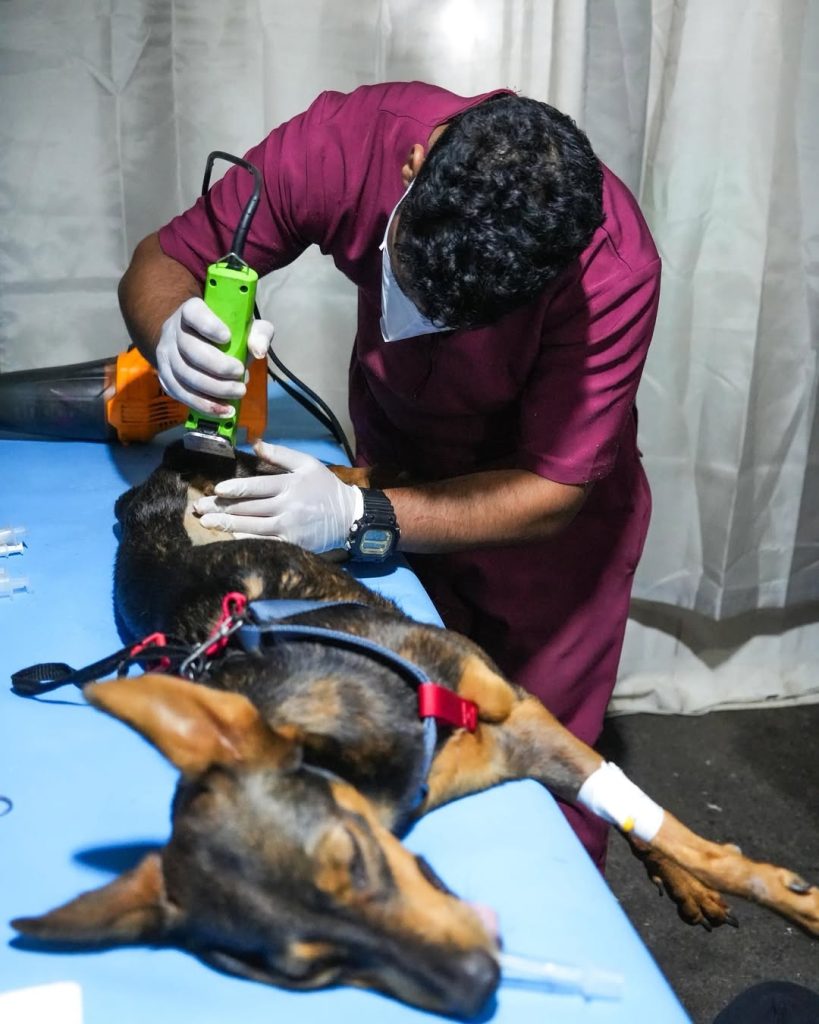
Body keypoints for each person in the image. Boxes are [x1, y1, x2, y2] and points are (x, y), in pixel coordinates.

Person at [118, 82, 661, 869]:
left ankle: (536, 915)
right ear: (410, 167)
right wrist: (170, 329)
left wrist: (358, 514)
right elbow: (165, 260)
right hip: (397, 451)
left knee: (537, 764)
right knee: (384, 711)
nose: (419, 326)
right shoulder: (341, 145)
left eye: (457, 320)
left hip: (542, 528)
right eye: (410, 285)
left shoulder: (612, 269)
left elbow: (551, 490)